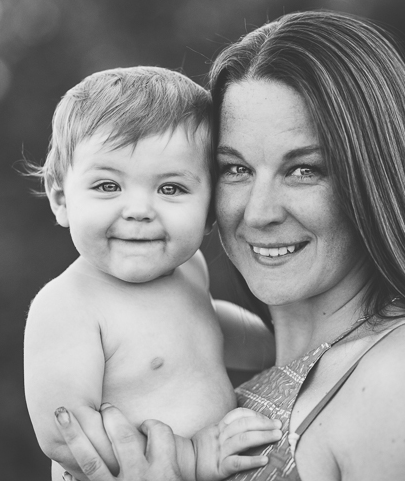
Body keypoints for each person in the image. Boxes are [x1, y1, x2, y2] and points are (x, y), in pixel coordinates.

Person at [52, 11, 405, 481]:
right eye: (236, 169)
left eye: (303, 170)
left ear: (375, 179)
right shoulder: (218, 406)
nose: (259, 212)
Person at [23, 66, 278, 481]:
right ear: (60, 197)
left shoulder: (188, 269)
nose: (139, 209)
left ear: (211, 206)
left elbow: (206, 326)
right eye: (108, 186)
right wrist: (191, 456)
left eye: (171, 188)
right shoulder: (68, 306)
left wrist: (278, 347)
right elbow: (63, 433)